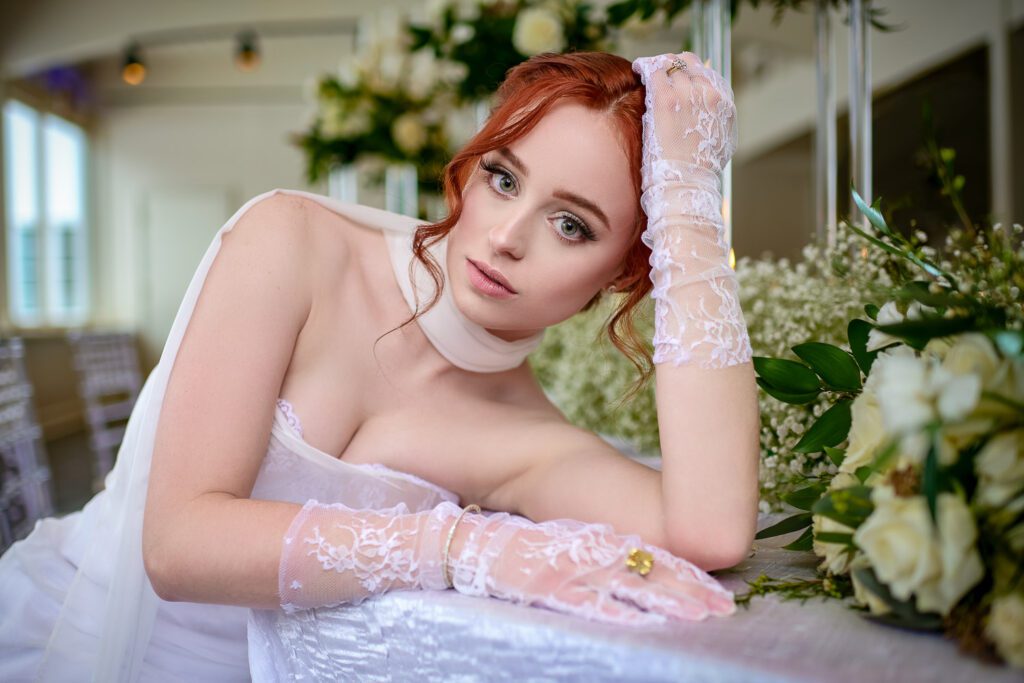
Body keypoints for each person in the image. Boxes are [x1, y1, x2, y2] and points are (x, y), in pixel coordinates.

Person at [0, 50, 760, 680]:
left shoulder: (527, 439)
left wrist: (689, 214)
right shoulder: (291, 240)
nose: (504, 237)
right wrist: (462, 546)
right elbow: (176, 545)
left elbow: (714, 531)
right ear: (468, 169)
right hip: (61, 635)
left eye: (570, 224)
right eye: (503, 177)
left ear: (621, 275)